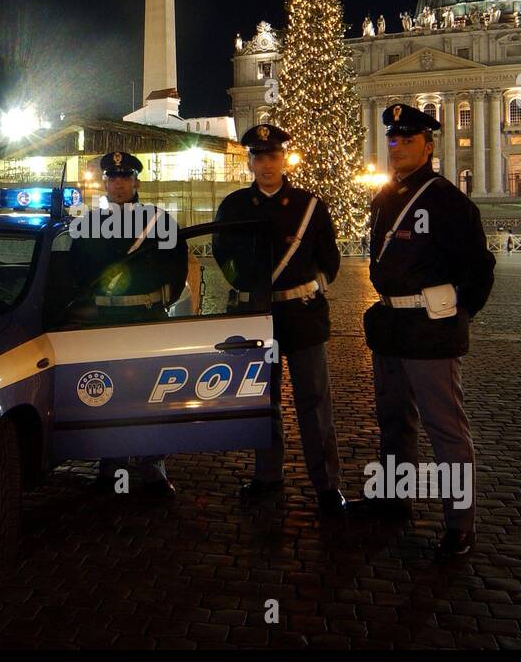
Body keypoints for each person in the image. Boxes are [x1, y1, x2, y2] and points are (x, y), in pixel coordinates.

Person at [361, 103, 495, 560]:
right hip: (390, 326)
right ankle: (395, 498)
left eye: (407, 139)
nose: (397, 147)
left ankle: (460, 524)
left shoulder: (448, 201)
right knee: (394, 422)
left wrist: (456, 316)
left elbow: (480, 271)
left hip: (430, 329)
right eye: (393, 139)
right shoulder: (383, 199)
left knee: (445, 429)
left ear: (429, 144)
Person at [214, 123, 345, 515]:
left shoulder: (310, 205)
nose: (266, 164)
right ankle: (267, 474)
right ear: (250, 163)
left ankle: (326, 484)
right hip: (258, 316)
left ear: (283, 159)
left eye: (273, 156)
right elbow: (224, 254)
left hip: (302, 316)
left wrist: (311, 286)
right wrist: (245, 284)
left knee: (314, 401)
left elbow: (330, 258)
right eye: (258, 157)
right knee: (262, 399)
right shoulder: (234, 206)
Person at [68, 151, 188, 499]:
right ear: (104, 182)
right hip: (105, 319)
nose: (118, 184)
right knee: (107, 393)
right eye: (112, 178)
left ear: (136, 182)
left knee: (151, 393)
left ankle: (153, 467)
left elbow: (176, 271)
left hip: (146, 317)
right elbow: (75, 272)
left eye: (125, 177)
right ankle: (112, 465)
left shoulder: (158, 220)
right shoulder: (87, 223)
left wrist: (161, 303)